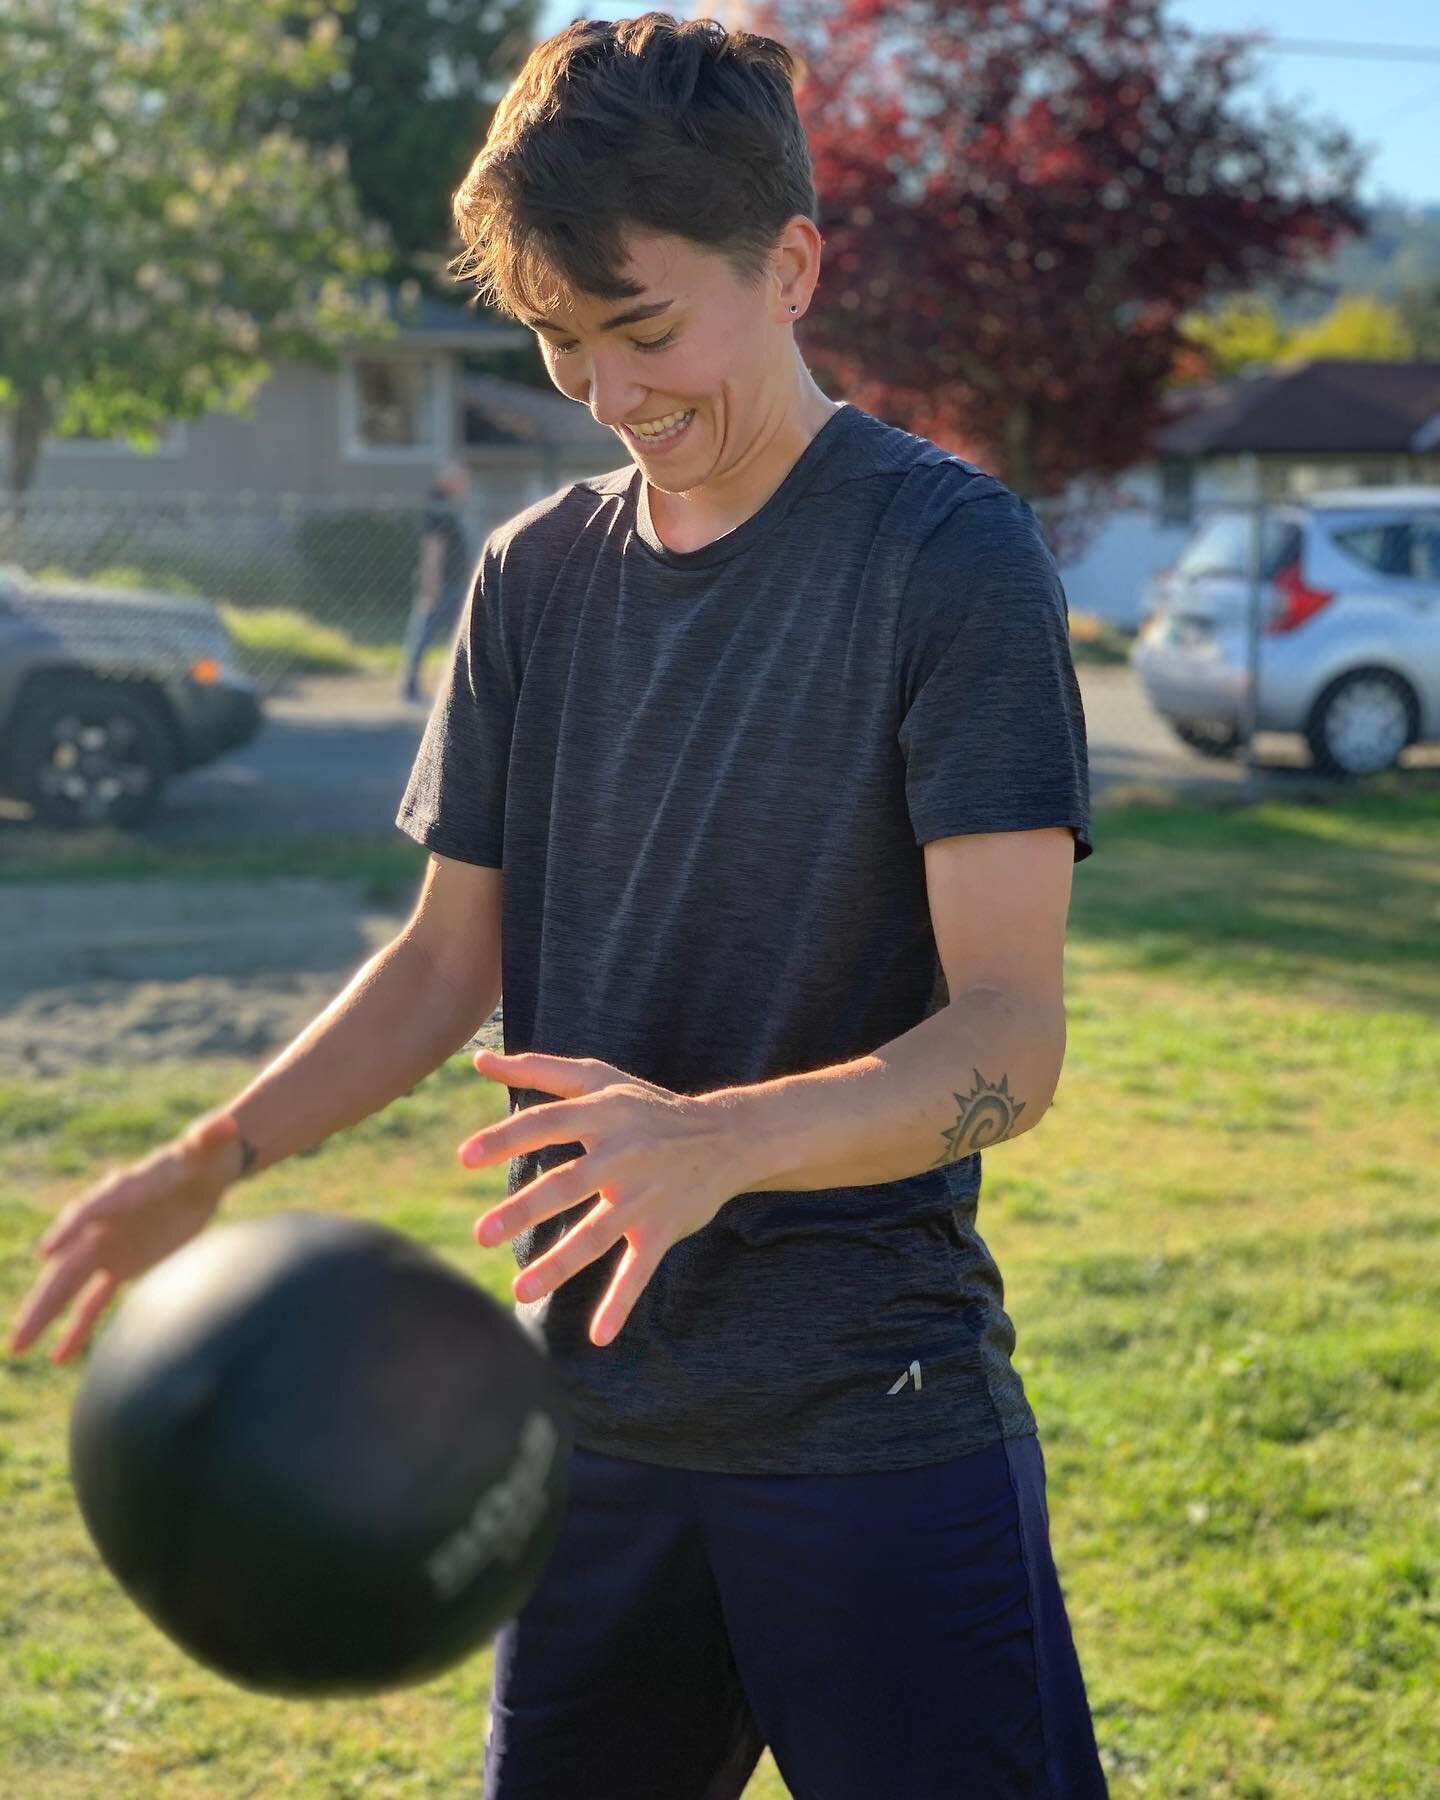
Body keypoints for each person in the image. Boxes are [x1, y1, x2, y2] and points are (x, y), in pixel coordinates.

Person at [8, 13, 1110, 1798]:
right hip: (582, 1430)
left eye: (648, 327)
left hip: (867, 1420)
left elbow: (1012, 1038)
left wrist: (712, 1144)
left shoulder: (947, 560)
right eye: (557, 338)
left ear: (794, 266)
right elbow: (450, 962)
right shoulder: (533, 580)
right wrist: (213, 1158)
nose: (608, 389)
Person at [399, 457, 474, 703]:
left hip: (456, 584)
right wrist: (431, 586)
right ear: (449, 481)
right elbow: (433, 548)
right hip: (443, 585)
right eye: (461, 480)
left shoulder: (451, 506)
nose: (465, 485)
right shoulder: (437, 506)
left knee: (460, 637)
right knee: (425, 635)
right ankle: (410, 686)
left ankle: (456, 687)